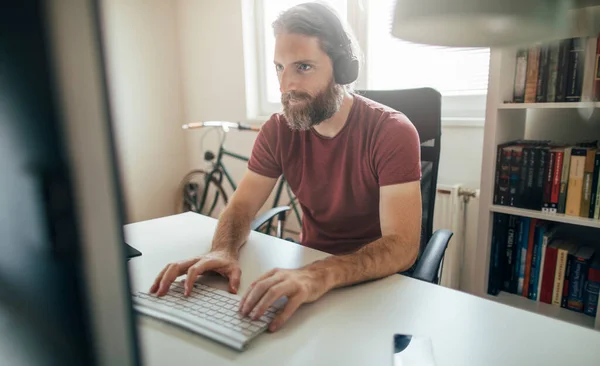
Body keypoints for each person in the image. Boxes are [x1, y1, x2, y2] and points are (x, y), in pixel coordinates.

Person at [150, 2, 422, 333]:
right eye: (279, 67)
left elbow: (402, 245)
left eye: (303, 67)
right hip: (308, 275)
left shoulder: (392, 132)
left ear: (342, 68)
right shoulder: (278, 131)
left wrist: (321, 274)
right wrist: (223, 249)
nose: (286, 86)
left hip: (376, 285)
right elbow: (241, 207)